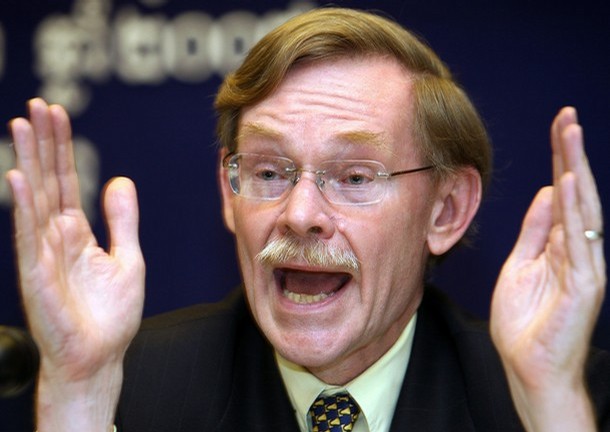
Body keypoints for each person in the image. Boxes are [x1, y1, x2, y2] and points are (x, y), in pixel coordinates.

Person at [6, 7, 609, 432]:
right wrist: (79, 393)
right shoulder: (134, 385)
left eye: (354, 178)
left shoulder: (556, 396)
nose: (299, 214)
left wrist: (551, 407)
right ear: (228, 192)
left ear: (445, 210)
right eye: (269, 172)